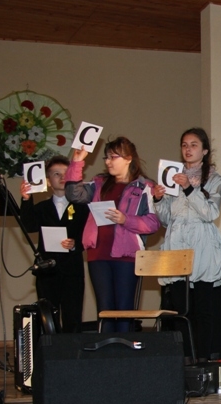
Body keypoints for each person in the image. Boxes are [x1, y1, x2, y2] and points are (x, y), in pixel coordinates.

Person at [153, 128, 221, 360]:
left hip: (202, 246)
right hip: (177, 244)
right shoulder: (172, 176)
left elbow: (210, 212)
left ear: (205, 150)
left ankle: (204, 359)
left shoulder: (214, 179)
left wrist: (189, 188)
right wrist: (158, 200)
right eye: (184, 145)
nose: (188, 149)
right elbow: (166, 219)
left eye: (194, 145)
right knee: (180, 310)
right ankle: (185, 359)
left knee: (203, 309)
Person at [65, 136, 160, 333]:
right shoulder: (98, 183)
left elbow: (153, 223)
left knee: (125, 310)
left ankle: (124, 351)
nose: (108, 162)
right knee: (105, 310)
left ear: (128, 158)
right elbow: (73, 194)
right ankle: (106, 350)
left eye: (113, 157)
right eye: (106, 157)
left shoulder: (144, 187)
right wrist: (77, 162)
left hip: (127, 256)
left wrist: (126, 220)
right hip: (98, 254)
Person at [20, 155, 89, 333]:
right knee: (47, 317)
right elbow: (28, 226)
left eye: (66, 173)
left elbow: (89, 235)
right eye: (56, 174)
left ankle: (72, 349)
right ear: (49, 181)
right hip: (47, 270)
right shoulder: (42, 207)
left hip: (72, 270)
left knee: (72, 315)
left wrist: (75, 244)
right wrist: (26, 199)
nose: (62, 177)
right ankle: (50, 348)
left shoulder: (82, 207)